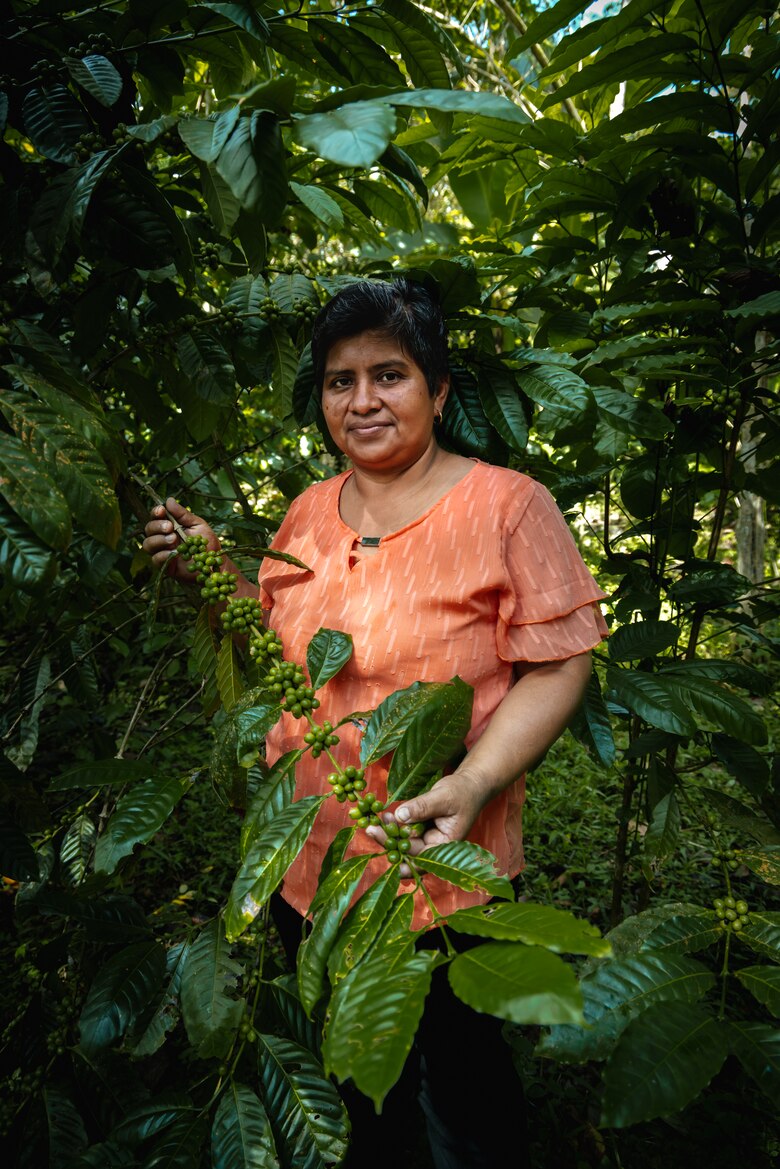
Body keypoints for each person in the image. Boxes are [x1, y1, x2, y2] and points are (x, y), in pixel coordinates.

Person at [143, 277, 608, 1168]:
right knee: (356, 1088)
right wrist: (210, 575)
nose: (362, 400)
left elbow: (560, 661)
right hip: (311, 871)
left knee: (464, 1098)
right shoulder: (308, 512)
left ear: (438, 389)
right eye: (339, 380)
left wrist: (474, 780)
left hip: (439, 869)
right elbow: (274, 650)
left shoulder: (509, 506)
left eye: (389, 375)